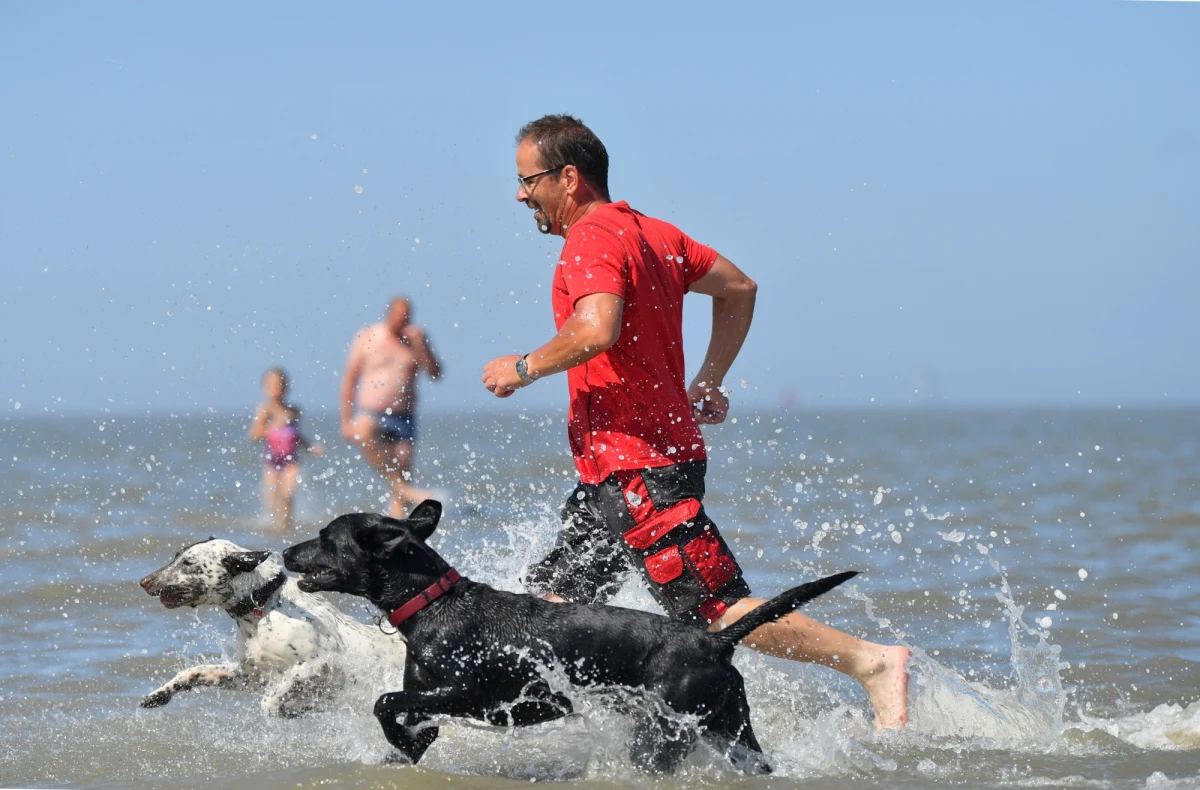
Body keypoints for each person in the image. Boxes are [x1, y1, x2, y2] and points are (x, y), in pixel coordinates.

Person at [482, 114, 910, 729]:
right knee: (553, 606)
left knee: (715, 609)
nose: (522, 194)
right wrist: (707, 380)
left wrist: (521, 368)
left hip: (639, 469)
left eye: (528, 180)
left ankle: (869, 664)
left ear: (568, 178)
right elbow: (739, 287)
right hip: (621, 475)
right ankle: (609, 722)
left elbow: (597, 327)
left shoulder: (592, 237)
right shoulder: (653, 233)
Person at [340, 296, 442, 518]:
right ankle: (402, 488)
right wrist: (346, 420)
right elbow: (350, 378)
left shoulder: (416, 340)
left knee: (403, 473)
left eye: (406, 317)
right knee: (363, 431)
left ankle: (397, 526)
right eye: (398, 317)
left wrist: (421, 347)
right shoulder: (368, 336)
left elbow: (435, 373)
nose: (402, 321)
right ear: (388, 315)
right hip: (371, 411)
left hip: (404, 415)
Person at [247, 367, 323, 531]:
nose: (276, 389)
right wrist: (274, 425)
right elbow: (253, 435)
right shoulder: (264, 409)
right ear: (265, 387)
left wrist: (309, 447)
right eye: (272, 385)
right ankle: (275, 530)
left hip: (291, 459)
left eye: (280, 384)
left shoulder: (294, 411)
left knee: (288, 494)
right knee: (273, 500)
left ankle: (286, 526)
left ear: (286, 387)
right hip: (271, 460)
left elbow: (297, 434)